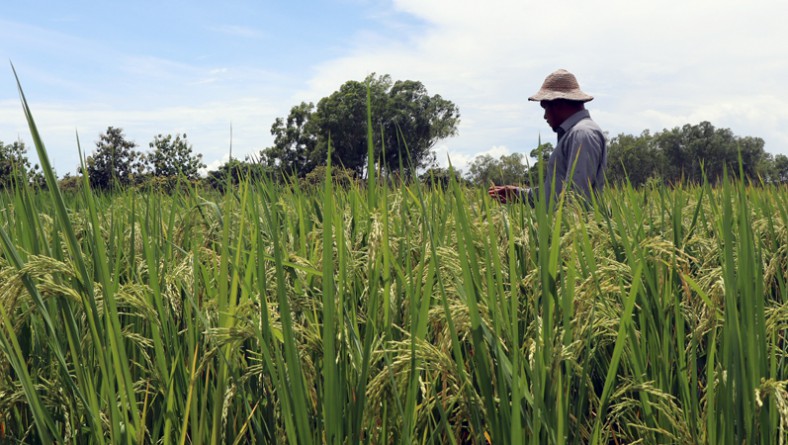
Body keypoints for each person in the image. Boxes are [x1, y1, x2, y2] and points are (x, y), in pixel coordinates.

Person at [488, 69, 607, 207]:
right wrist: (520, 194)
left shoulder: (582, 134)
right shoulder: (575, 134)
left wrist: (562, 226)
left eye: (545, 107)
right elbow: (555, 193)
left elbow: (575, 196)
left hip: (572, 226)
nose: (545, 116)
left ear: (558, 103)